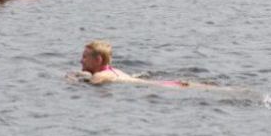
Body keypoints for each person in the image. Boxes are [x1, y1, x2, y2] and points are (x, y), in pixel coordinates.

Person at [76, 40, 217, 89]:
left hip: (163, 87)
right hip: (167, 83)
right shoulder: (114, 71)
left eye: (85, 57)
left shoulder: (100, 76)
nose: (81, 60)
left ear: (98, 60)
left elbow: (88, 83)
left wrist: (72, 80)